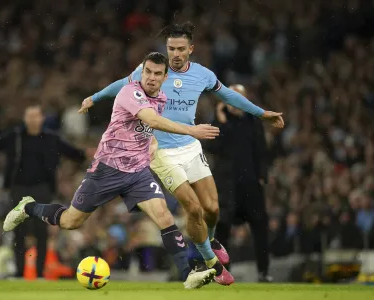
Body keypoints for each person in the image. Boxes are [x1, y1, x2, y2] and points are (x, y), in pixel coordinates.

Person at [79, 22, 284, 285]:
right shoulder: (153, 71)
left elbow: (230, 96)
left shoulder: (202, 75)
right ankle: (212, 263)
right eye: (171, 48)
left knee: (212, 208)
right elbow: (121, 84)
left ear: (191, 49)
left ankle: (209, 239)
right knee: (193, 207)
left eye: (180, 49)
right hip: (160, 150)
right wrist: (94, 98)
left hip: (190, 145)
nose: (175, 53)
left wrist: (261, 112)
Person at [3, 52, 219, 289]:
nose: (152, 77)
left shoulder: (162, 99)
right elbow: (151, 120)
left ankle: (188, 275)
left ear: (165, 77)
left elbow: (151, 128)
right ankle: (28, 206)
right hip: (106, 170)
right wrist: (191, 130)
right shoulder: (130, 92)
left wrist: (153, 144)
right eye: (148, 72)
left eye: (158, 74)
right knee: (70, 221)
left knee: (165, 217)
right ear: (142, 72)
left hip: (137, 173)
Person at [0, 105, 89, 279]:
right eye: (29, 116)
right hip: (18, 187)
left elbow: (71, 152)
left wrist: (86, 154)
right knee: (18, 230)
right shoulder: (15, 136)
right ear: (25, 119)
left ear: (42, 119)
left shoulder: (51, 138)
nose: (32, 119)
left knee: (40, 231)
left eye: (36, 116)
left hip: (42, 188)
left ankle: (39, 273)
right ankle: (20, 273)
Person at [212, 84, 272, 282]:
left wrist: (262, 176)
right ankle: (223, 272)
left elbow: (262, 151)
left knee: (261, 227)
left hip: (250, 185)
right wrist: (222, 121)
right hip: (227, 187)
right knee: (222, 229)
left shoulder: (254, 121)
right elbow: (214, 146)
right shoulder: (219, 122)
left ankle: (263, 272)